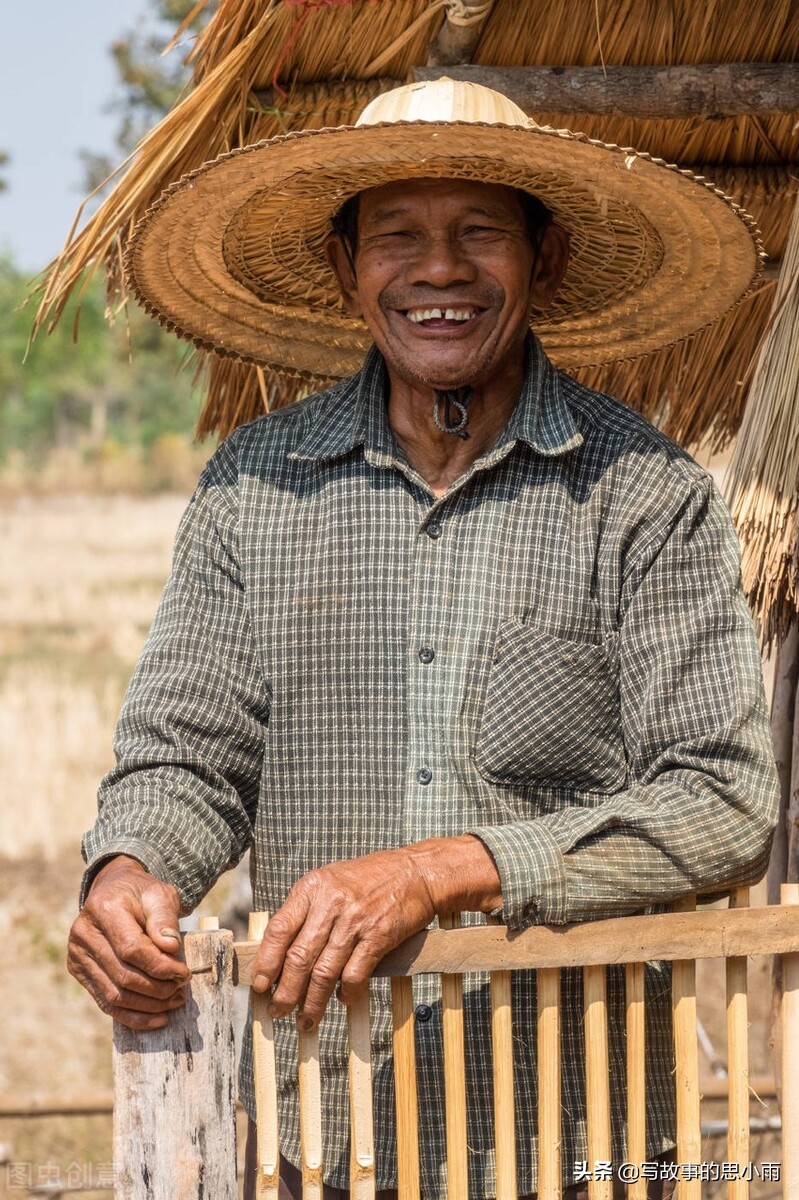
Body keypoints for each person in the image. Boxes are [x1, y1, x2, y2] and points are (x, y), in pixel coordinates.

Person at [67, 79, 778, 1199]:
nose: (438, 270)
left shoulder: (643, 493)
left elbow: (723, 801)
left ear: (542, 262)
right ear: (350, 268)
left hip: (575, 1127)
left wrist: (446, 870)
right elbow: (185, 754)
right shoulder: (256, 487)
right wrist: (126, 874)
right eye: (397, 236)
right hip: (321, 1124)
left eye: (478, 234)